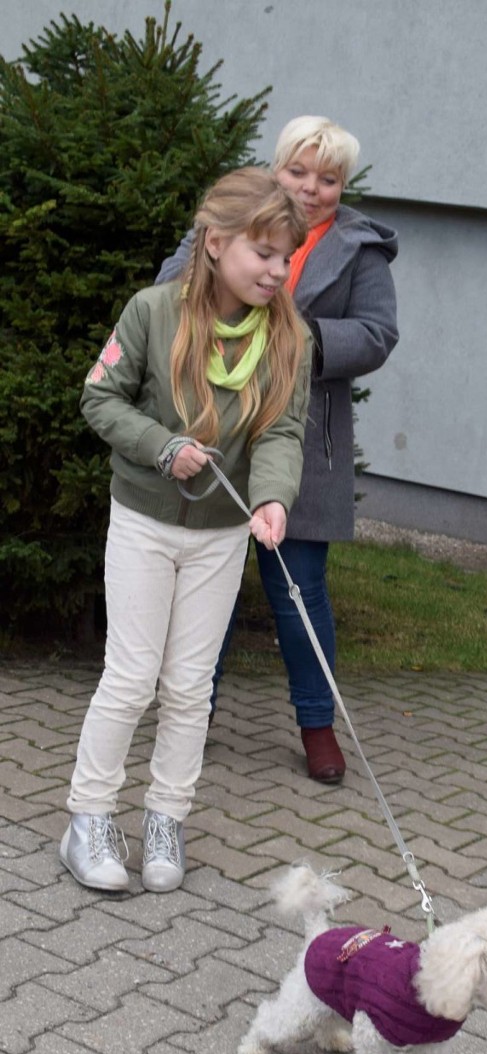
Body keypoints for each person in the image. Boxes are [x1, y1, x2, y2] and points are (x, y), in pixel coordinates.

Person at [61, 167, 312, 894]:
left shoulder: (291, 337)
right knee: (132, 676)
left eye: (285, 256)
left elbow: (281, 432)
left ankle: (167, 816)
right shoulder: (151, 311)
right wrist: (161, 446)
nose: (276, 269)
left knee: (190, 686)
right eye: (262, 252)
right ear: (214, 242)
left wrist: (272, 500)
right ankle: (89, 817)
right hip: (142, 520)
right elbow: (99, 397)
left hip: (221, 534)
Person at [157, 116, 399, 785]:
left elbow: (378, 335)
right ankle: (191, 716)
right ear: (276, 168)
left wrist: (291, 337)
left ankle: (317, 726)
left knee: (300, 591)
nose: (311, 188)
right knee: (205, 588)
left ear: (342, 185)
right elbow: (171, 290)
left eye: (328, 178)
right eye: (298, 172)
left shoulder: (361, 248)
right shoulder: (230, 218)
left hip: (301, 446)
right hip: (214, 432)